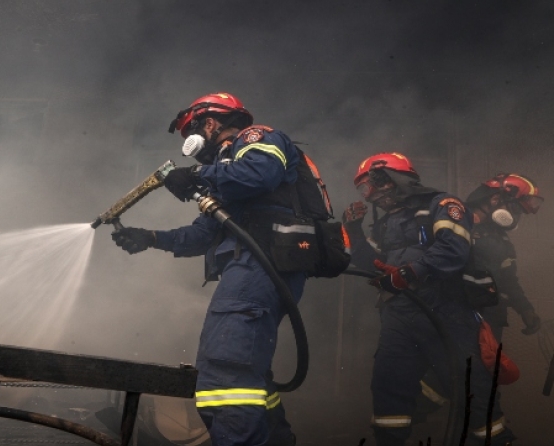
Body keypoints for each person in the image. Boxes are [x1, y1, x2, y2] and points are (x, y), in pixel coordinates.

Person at [111, 92, 304, 446]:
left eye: (190, 132)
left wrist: (199, 172)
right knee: (249, 374)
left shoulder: (255, 139)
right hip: (252, 266)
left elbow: (259, 174)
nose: (190, 143)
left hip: (260, 264)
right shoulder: (228, 173)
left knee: (225, 372)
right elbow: (203, 235)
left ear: (210, 123)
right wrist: (151, 238)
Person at [342, 152, 516, 446]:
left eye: (370, 186)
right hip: (398, 315)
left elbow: (454, 250)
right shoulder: (385, 224)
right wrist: (354, 231)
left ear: (393, 179)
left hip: (447, 311)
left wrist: (409, 274)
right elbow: (374, 265)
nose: (370, 197)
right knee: (389, 386)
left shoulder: (443, 204)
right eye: (363, 191)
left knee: (472, 387)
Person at [465, 173, 543, 341]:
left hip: (490, 320)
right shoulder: (457, 225)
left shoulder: (500, 238)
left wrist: (525, 309)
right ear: (495, 199)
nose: (515, 218)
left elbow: (508, 280)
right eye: (515, 209)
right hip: (459, 318)